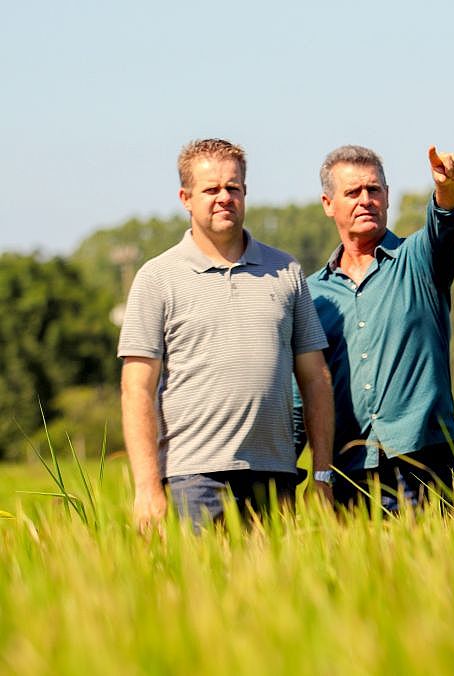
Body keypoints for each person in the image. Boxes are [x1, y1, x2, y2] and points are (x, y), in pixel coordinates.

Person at [119, 138, 335, 532]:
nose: (224, 197)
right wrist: (147, 486)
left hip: (275, 476)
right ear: (186, 197)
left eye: (233, 188)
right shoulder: (156, 277)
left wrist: (322, 474)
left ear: (245, 193)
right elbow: (136, 389)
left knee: (279, 592)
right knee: (199, 593)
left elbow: (315, 378)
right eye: (211, 189)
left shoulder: (286, 271)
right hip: (193, 480)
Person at [297, 144, 454, 513]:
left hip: (423, 459)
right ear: (329, 204)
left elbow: (446, 222)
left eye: (374, 190)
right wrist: (311, 476)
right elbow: (303, 394)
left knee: (445, 569)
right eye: (353, 192)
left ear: (387, 197)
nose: (365, 200)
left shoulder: (420, 262)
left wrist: (448, 188)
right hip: (349, 471)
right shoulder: (311, 294)